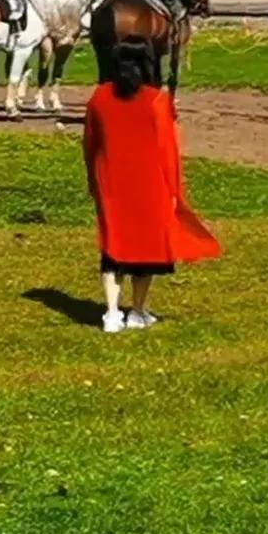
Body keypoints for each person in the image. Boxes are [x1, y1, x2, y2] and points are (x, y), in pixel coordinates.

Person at [81, 38, 222, 333]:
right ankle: (137, 310)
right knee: (144, 250)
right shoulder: (157, 100)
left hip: (111, 182)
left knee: (113, 246)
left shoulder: (99, 98)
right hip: (149, 184)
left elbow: (90, 144)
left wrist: (93, 181)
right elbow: (168, 149)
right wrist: (173, 191)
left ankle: (111, 313)